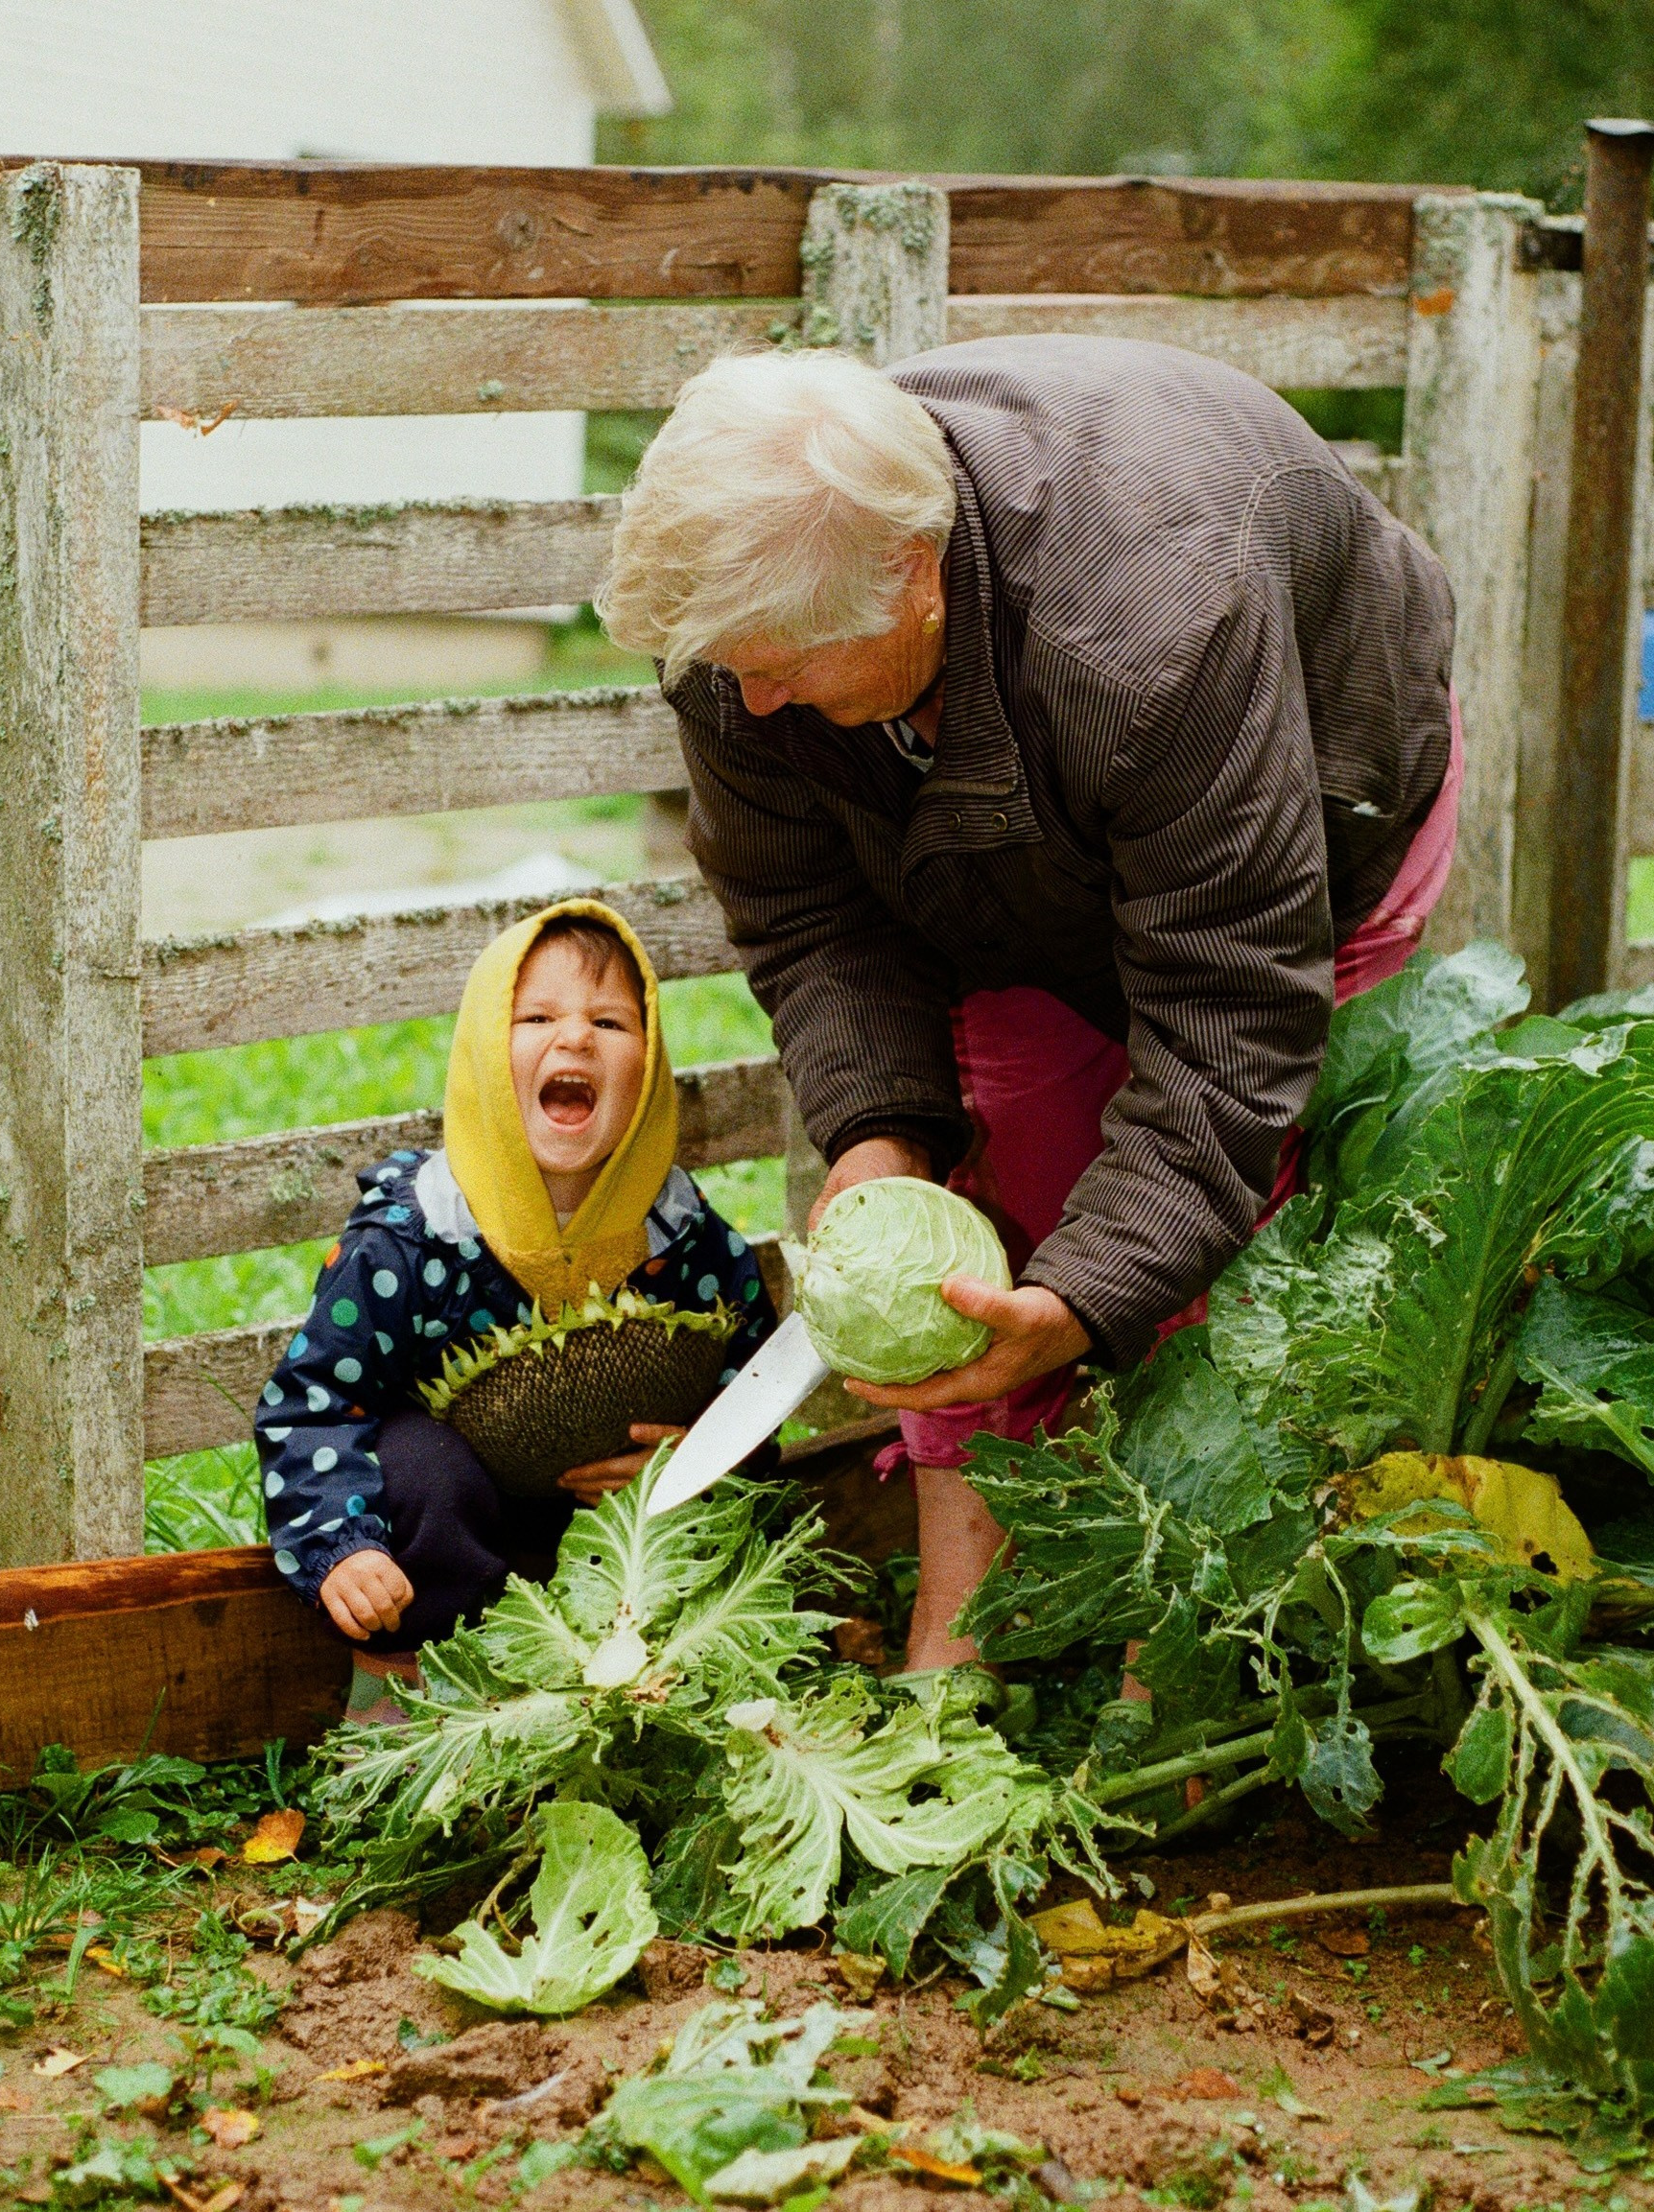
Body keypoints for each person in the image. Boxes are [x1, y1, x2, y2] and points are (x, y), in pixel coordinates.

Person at [598, 338, 1462, 1674]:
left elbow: (1227, 1021)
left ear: (909, 581)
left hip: (1313, 816)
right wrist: (886, 1139)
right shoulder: (745, 638)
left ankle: (1187, 1653)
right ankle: (965, 1631)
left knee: (1234, 1248)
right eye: (735, 669)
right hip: (1002, 857)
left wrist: (1083, 1297)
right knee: (978, 1202)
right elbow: (811, 914)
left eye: (778, 667)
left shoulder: (1157, 633)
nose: (750, 699)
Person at [253, 900, 776, 1724]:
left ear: (650, 1067)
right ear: (482, 1060)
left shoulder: (686, 1244)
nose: (574, 1038)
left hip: (619, 1562)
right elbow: (311, 1407)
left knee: (704, 1510)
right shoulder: (411, 1242)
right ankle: (398, 1701)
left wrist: (694, 1458)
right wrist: (340, 1549)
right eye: (535, 1016)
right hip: (439, 1553)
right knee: (421, 1464)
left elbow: (760, 1395)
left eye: (609, 1020)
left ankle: (642, 1688)